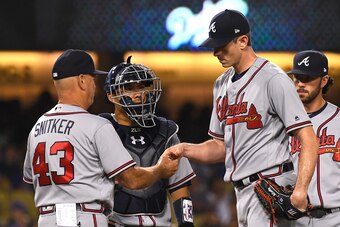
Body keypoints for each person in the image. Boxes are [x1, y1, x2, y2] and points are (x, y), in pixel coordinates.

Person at [166, 9, 319, 227]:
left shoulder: (273, 79)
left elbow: (308, 138)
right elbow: (220, 147)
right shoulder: (221, 84)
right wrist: (184, 150)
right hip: (241, 192)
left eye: (221, 45)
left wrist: (301, 189)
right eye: (214, 46)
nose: (215, 52)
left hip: (271, 186)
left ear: (243, 41)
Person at [22, 49, 179, 227]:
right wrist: (160, 169)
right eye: (92, 79)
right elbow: (132, 179)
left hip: (47, 219)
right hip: (85, 216)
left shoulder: (37, 128)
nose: (95, 85)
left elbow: (30, 178)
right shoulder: (96, 125)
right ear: (82, 80)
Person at [100, 56, 196, 227]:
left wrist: (186, 224)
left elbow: (179, 188)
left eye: (143, 86)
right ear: (111, 94)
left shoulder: (166, 130)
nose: (139, 94)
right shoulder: (101, 129)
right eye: (129, 88)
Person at [287, 50, 340, 227]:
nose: (300, 84)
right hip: (295, 219)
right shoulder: (282, 123)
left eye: (308, 78)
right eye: (297, 78)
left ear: (324, 80)